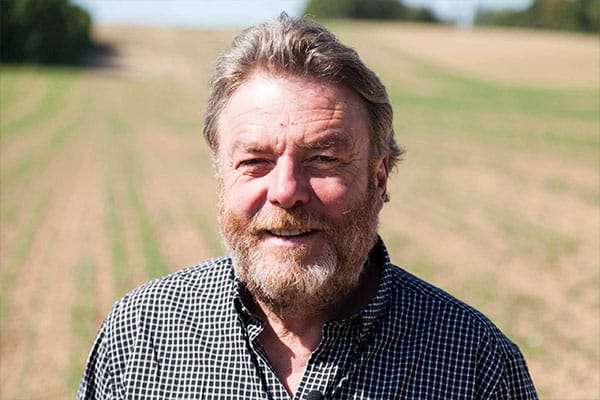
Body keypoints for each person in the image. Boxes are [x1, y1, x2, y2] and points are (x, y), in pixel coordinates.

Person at [77, 14, 538, 400]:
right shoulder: (139, 337)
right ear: (220, 176)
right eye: (255, 162)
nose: (286, 191)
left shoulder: (476, 363)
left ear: (379, 179)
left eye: (323, 160)